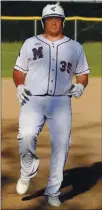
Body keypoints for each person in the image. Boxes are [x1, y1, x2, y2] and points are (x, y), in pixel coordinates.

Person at [13, 2, 90, 207]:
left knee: (61, 146)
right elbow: (18, 70)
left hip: (61, 102)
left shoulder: (75, 47)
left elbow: (83, 74)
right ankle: (27, 169)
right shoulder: (30, 43)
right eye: (49, 19)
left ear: (63, 22)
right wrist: (19, 85)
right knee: (26, 135)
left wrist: (81, 86)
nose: (53, 22)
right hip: (33, 99)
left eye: (57, 19)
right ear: (43, 22)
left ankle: (53, 191)